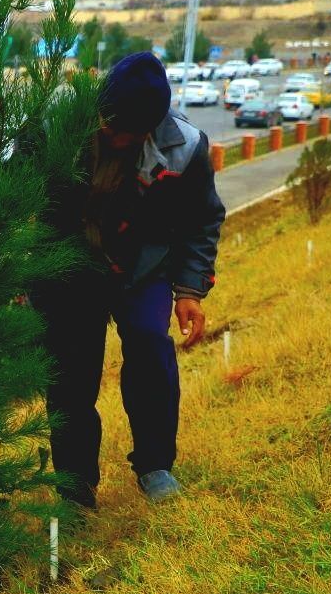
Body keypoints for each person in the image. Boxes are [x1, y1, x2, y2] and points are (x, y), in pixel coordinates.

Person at [31, 51, 225, 509]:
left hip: (144, 268)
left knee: (150, 347)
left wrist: (190, 290)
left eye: (126, 132)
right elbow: (11, 193)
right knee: (71, 377)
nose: (112, 136)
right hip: (72, 268)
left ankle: (155, 466)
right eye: (107, 124)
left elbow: (203, 220)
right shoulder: (55, 127)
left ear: (149, 127)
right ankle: (76, 488)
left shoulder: (186, 147)